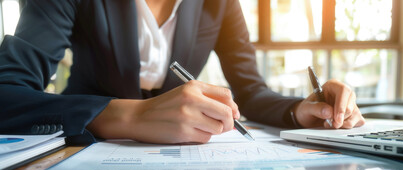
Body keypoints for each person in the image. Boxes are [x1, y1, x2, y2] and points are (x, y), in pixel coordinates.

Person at [0, 0, 365, 144]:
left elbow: (251, 91)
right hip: (82, 148)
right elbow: (7, 92)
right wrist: (128, 115)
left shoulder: (219, 3)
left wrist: (300, 110)